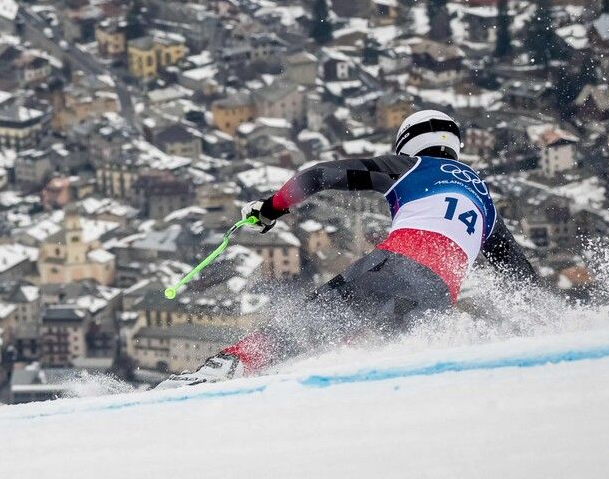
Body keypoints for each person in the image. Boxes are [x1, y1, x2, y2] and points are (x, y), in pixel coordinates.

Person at [160, 109, 537, 387]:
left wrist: (270, 209)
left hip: (397, 263)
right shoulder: (485, 200)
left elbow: (318, 176)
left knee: (309, 324)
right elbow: (521, 276)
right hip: (437, 297)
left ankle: (228, 366)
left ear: (409, 141)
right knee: (375, 361)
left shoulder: (411, 165)